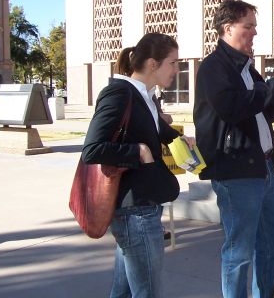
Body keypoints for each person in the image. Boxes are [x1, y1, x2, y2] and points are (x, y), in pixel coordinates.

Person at [193, 0, 274, 298]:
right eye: (249, 26)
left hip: (263, 167)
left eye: (255, 26)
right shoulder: (214, 67)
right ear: (228, 29)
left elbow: (266, 109)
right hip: (236, 172)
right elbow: (233, 108)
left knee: (271, 247)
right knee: (239, 251)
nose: (255, 32)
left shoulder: (247, 68)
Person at [82, 33, 195, 297]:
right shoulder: (119, 93)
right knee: (148, 292)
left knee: (123, 291)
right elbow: (92, 149)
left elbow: (150, 130)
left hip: (142, 209)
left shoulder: (145, 95)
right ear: (153, 64)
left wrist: (179, 139)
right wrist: (138, 151)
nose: (177, 70)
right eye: (173, 63)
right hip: (135, 213)